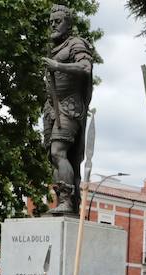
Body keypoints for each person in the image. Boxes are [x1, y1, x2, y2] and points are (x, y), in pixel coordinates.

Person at [43, 5, 94, 215]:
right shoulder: (54, 47)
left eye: (58, 20)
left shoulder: (76, 44)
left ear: (68, 23)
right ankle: (64, 200)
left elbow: (85, 68)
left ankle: (66, 200)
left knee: (58, 152)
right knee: (52, 156)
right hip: (51, 108)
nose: (53, 24)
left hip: (69, 106)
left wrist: (58, 66)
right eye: (51, 21)